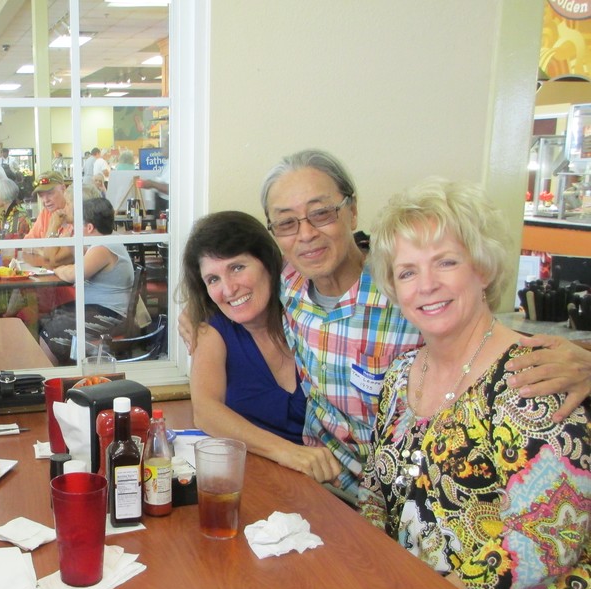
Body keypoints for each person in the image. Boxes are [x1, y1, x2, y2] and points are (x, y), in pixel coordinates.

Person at [223, 177, 591, 589]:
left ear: (483, 269)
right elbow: (378, 495)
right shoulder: (401, 377)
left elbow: (545, 546)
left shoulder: (534, 378)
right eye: (408, 272)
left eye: (446, 262)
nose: (428, 285)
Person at [180, 148, 591, 495]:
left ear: (352, 211)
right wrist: (196, 310)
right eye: (287, 223)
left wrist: (583, 361)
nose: (305, 234)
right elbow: (233, 286)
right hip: (325, 493)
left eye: (321, 213)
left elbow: (482, 338)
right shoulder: (289, 283)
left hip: (411, 500)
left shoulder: (405, 290)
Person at [179, 211, 341, 483]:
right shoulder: (212, 329)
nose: (228, 289)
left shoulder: (307, 315)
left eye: (237, 267)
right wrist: (287, 452)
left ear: (267, 261)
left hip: (334, 484)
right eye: (213, 279)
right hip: (261, 478)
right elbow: (206, 412)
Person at [38, 197, 134, 365]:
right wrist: (72, 241)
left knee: (52, 331)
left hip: (109, 316)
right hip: (102, 309)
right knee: (50, 317)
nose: (75, 227)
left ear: (89, 227)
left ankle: (55, 373)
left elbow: (74, 274)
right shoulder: (105, 242)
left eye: (78, 224)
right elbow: (82, 259)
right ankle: (63, 365)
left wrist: (58, 270)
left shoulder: (102, 248)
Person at [23, 170, 74, 268]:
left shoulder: (75, 214)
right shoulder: (45, 213)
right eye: (41, 196)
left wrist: (46, 250)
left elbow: (56, 259)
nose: (45, 200)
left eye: (50, 193)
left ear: (63, 188)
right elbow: (26, 243)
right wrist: (43, 251)